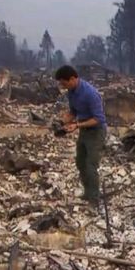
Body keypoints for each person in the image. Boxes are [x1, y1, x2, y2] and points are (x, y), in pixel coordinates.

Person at [54, 65, 108, 203]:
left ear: (72, 79)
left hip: (96, 132)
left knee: (91, 164)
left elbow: (98, 119)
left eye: (64, 83)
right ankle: (87, 192)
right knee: (80, 162)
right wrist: (61, 122)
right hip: (84, 130)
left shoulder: (90, 93)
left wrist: (77, 125)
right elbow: (73, 112)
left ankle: (94, 198)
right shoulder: (71, 92)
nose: (63, 86)